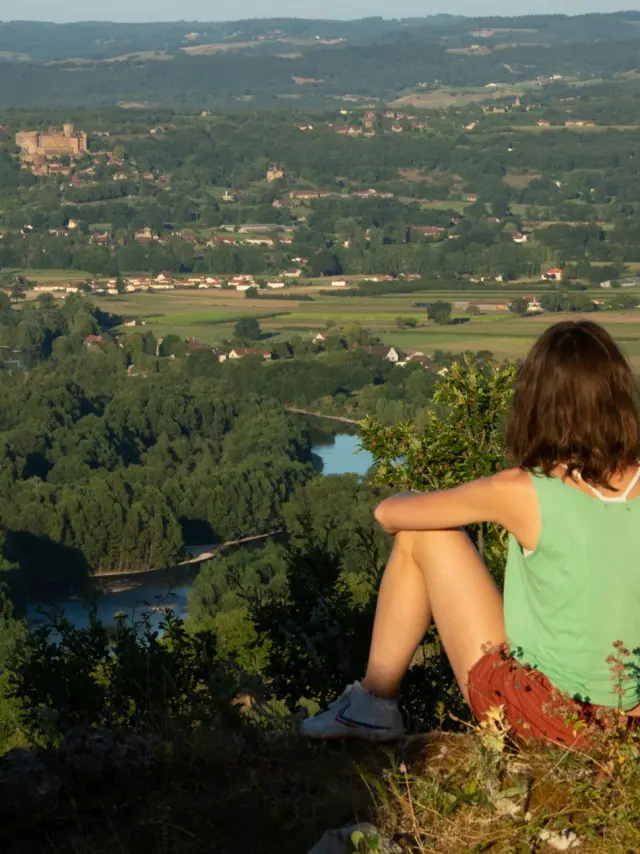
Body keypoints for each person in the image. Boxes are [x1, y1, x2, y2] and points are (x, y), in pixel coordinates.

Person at [302, 320, 640, 746]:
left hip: (549, 722)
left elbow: (388, 514)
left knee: (422, 533)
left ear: (536, 403)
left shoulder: (523, 489)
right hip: (630, 730)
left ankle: (373, 701)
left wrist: (416, 495)